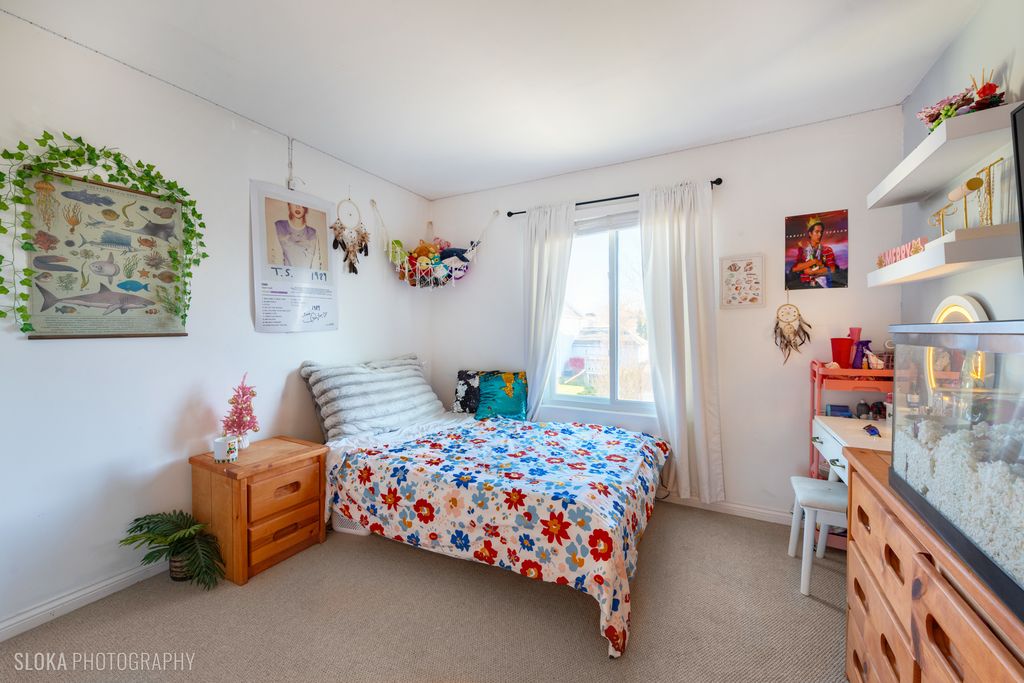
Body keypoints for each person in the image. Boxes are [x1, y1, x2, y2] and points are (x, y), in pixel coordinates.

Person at [790, 216, 836, 288]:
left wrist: (812, 272)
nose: (820, 235)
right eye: (817, 232)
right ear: (810, 234)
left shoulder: (827, 250)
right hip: (804, 286)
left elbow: (832, 269)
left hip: (821, 285)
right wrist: (814, 261)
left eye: (821, 232)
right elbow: (795, 268)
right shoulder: (803, 250)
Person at [274, 202, 322, 269]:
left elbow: (316, 266)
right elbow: (276, 261)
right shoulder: (279, 226)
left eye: (301, 203)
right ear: (289, 205)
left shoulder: (313, 233)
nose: (298, 206)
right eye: (294, 202)